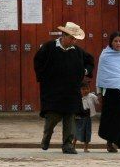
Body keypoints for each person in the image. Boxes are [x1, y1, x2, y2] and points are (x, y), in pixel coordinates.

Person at [33, 21, 94, 153]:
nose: (74, 41)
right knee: (52, 118)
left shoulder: (78, 52)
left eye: (75, 39)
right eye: (72, 38)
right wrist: (44, 78)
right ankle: (46, 137)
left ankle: (68, 145)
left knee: (70, 117)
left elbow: (90, 62)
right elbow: (38, 61)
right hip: (52, 91)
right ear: (64, 35)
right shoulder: (49, 47)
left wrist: (85, 71)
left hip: (71, 90)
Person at [74, 80, 99, 153]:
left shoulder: (91, 96)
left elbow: (97, 102)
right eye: (83, 89)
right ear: (79, 89)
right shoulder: (77, 97)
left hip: (88, 117)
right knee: (77, 131)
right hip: (79, 117)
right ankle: (73, 145)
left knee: (87, 132)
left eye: (87, 89)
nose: (86, 91)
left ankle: (85, 148)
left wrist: (97, 98)